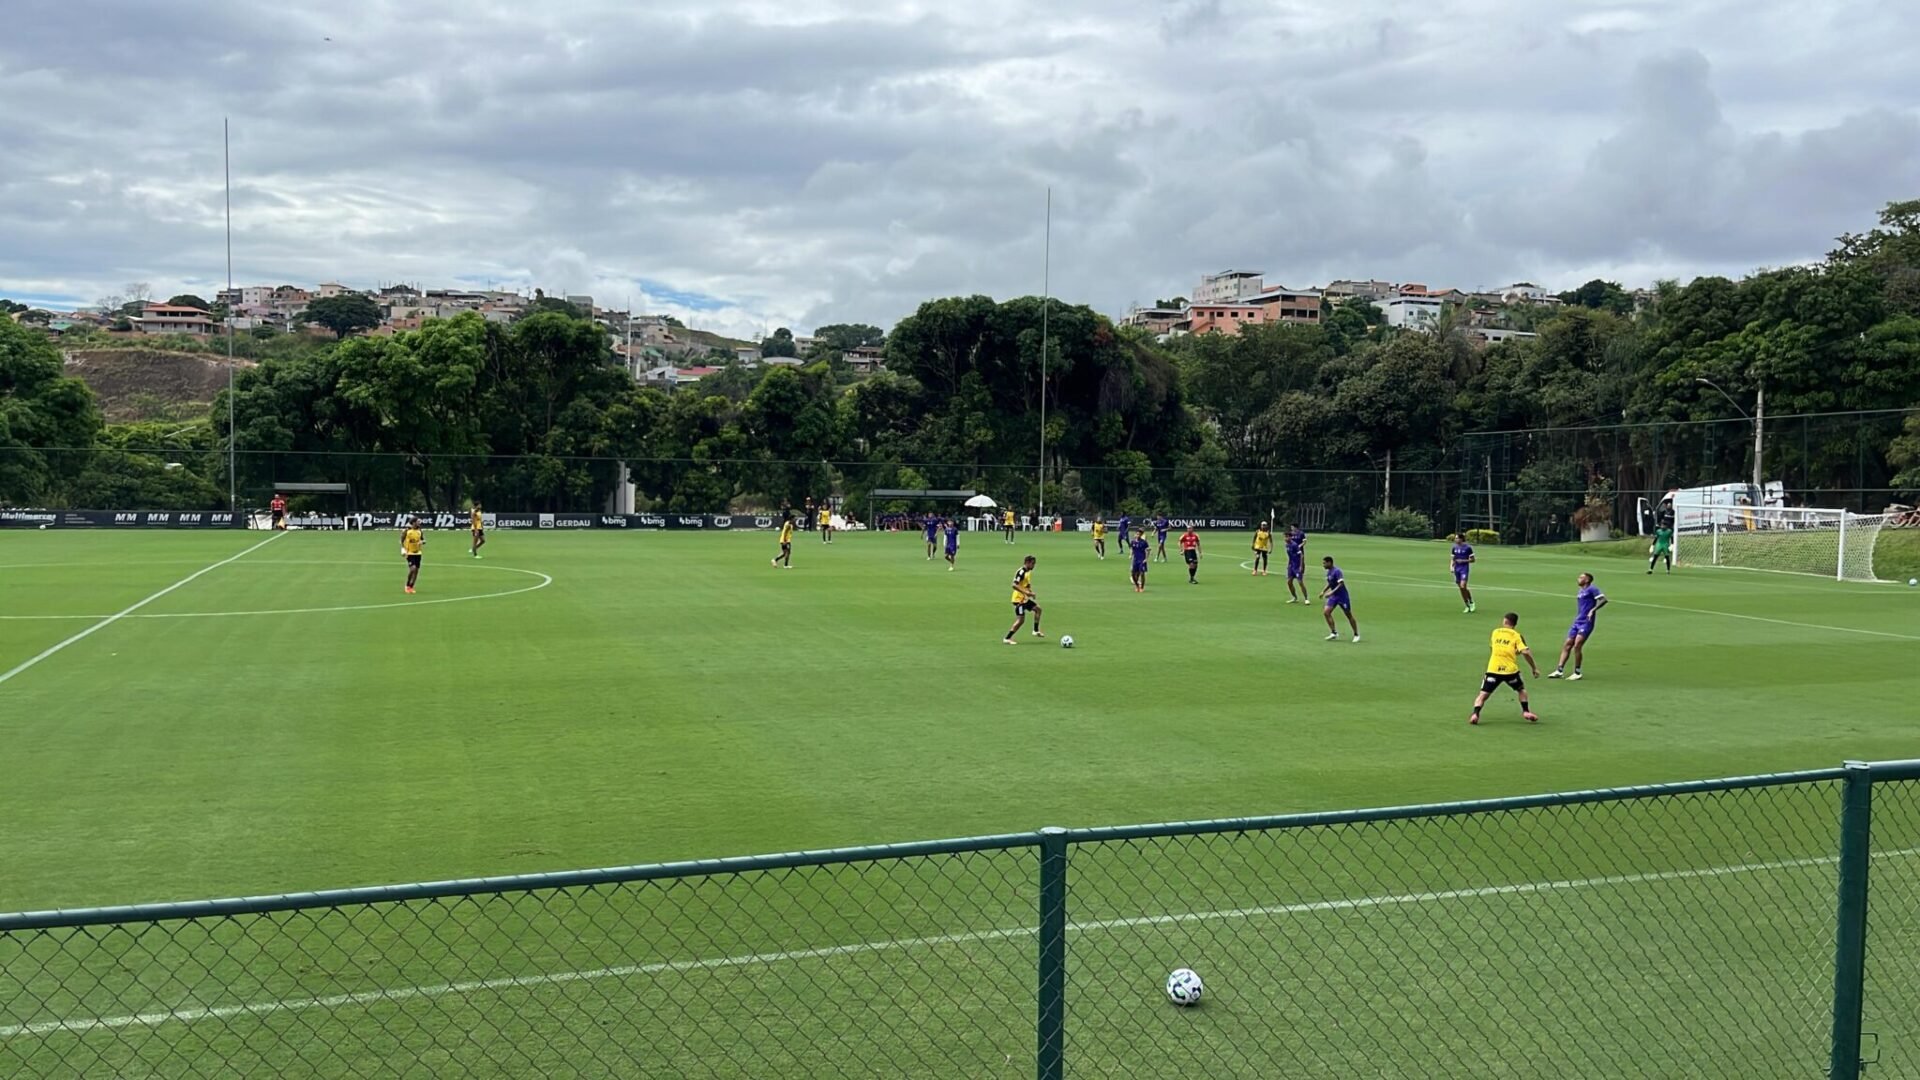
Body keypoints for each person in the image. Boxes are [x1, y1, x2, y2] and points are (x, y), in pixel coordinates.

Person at [1469, 612, 1541, 726]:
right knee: (1521, 690)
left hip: (1493, 669)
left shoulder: (1495, 632)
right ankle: (1526, 711)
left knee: (1483, 695)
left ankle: (1475, 714)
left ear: (1505, 621)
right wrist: (1534, 668)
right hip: (1510, 671)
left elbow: (1494, 648)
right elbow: (1525, 652)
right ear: (1515, 624)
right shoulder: (1516, 635)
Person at [1549, 573, 1608, 680]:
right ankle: (1559, 670)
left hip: (1587, 622)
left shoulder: (1592, 589)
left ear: (1587, 580)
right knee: (1567, 645)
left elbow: (1603, 600)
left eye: (1581, 577)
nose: (1578, 579)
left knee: (1577, 645)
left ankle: (1577, 672)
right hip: (1577, 621)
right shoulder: (1581, 591)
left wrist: (1593, 610)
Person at [1004, 555, 1044, 643]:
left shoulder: (1028, 572)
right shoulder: (1021, 572)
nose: (1034, 565)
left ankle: (1035, 630)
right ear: (1027, 563)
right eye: (1032, 563)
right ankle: (1007, 638)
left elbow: (1026, 585)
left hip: (1024, 599)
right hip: (1018, 600)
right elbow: (1014, 585)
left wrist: (1030, 592)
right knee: (1021, 620)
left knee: (1038, 610)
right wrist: (1026, 593)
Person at [1320, 555, 1359, 642]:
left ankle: (1356, 634)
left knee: (1348, 614)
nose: (1323, 565)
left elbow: (1341, 584)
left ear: (1329, 563)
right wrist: (1323, 591)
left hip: (1342, 596)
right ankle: (1334, 632)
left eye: (1324, 563)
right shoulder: (1329, 572)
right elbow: (1330, 583)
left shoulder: (1337, 571)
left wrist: (1331, 592)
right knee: (1326, 612)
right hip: (1334, 596)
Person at [1450, 533, 1476, 613]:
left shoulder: (1468, 548)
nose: (1455, 540)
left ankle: (1471, 602)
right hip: (1457, 569)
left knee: (1463, 585)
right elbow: (1453, 559)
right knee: (1461, 588)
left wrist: (1463, 561)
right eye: (1455, 538)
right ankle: (1467, 605)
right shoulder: (1454, 547)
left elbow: (1473, 560)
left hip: (1464, 569)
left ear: (1461, 539)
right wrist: (1451, 567)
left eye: (1457, 538)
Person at [1284, 524, 1309, 603]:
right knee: (1289, 582)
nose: (1286, 538)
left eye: (1287, 537)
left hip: (1297, 566)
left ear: (1291, 537)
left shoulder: (1294, 545)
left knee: (1300, 582)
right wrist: (1288, 565)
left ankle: (1306, 599)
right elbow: (1290, 556)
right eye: (1285, 537)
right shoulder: (1287, 545)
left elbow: (1301, 555)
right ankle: (1294, 598)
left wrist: (1301, 566)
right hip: (1291, 566)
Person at [400, 516, 425, 594]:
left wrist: (422, 542)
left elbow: (423, 539)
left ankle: (411, 586)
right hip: (409, 552)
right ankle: (407, 585)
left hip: (418, 553)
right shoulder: (407, 530)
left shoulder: (420, 530)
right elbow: (402, 539)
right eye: (418, 522)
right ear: (413, 523)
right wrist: (402, 549)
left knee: (416, 570)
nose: (419, 523)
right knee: (412, 569)